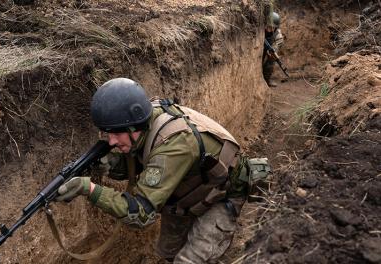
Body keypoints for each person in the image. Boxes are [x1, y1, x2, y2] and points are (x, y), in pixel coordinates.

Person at [55, 78, 269, 263]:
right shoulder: (143, 124)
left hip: (221, 194)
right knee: (168, 252)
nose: (110, 141)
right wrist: (108, 163)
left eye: (115, 134)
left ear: (133, 127)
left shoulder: (174, 145)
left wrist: (90, 189)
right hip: (185, 193)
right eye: (106, 133)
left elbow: (142, 214)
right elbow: (134, 163)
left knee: (190, 260)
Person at [263, 11, 284, 87]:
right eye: (268, 26)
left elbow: (277, 46)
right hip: (260, 49)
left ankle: (266, 80)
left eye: (272, 27)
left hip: (268, 49)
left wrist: (272, 51)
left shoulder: (278, 35)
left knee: (271, 60)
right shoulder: (260, 29)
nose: (270, 29)